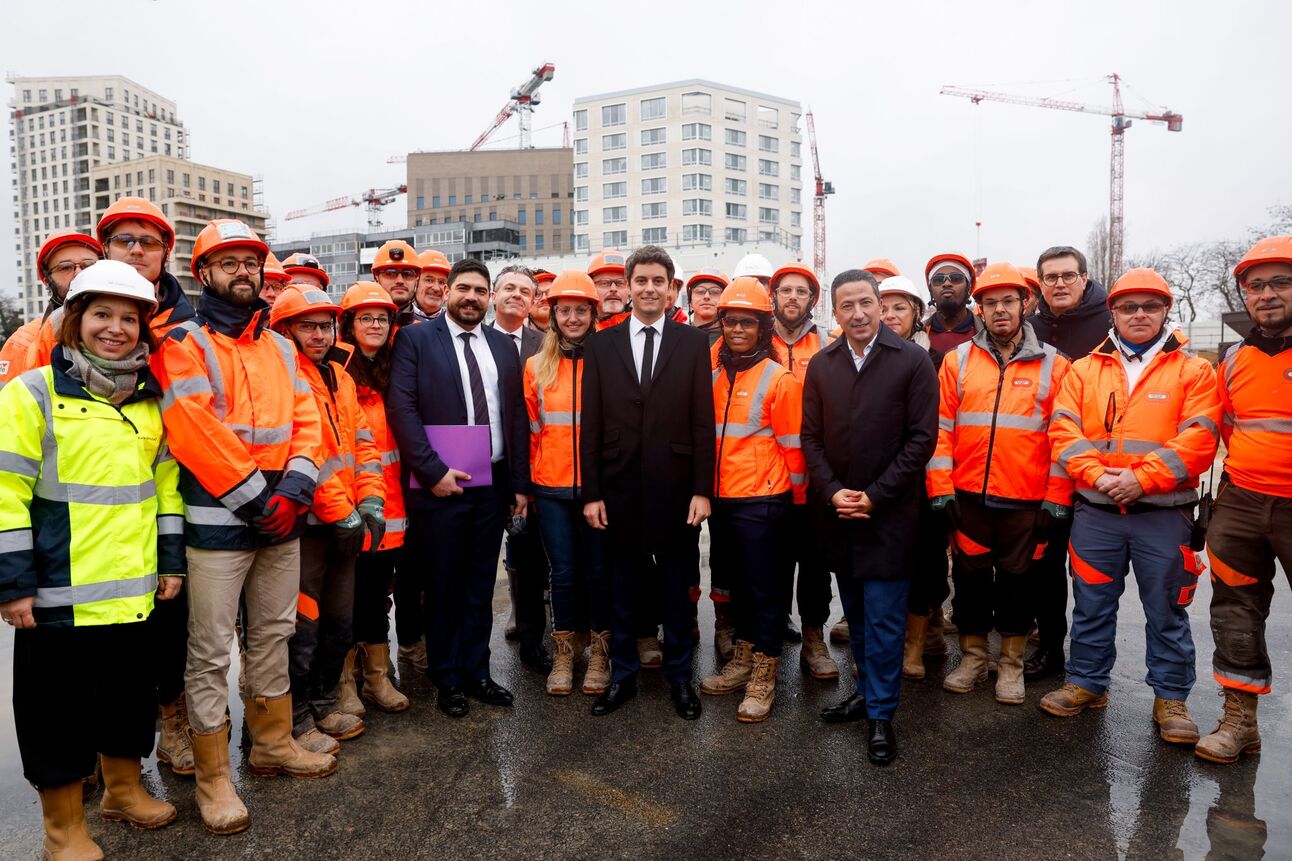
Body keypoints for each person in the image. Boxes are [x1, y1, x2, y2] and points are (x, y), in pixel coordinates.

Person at [0, 260, 184, 857]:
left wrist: (172, 563)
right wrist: (12, 584)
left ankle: (123, 792)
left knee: (128, 701)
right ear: (74, 320)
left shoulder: (150, 402)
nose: (116, 329)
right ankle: (61, 831)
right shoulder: (31, 393)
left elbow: (165, 493)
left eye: (129, 318)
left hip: (132, 597)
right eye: (102, 315)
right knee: (56, 717)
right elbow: (4, 494)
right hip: (57, 600)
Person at [157, 219, 329, 835]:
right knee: (207, 653)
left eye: (250, 263)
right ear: (202, 274)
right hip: (219, 526)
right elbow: (196, 429)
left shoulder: (280, 348)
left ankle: (271, 743)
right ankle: (212, 778)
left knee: (275, 633)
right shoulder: (183, 343)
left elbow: (308, 422)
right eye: (228, 264)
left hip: (281, 517)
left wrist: (298, 486)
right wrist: (264, 499)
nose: (243, 273)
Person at [1041, 268, 1219, 743]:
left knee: (1166, 608)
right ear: (1112, 312)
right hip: (1096, 514)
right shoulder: (1083, 370)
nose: (1139, 314)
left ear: (1165, 311)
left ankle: (1171, 696)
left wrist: (1141, 480)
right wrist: (1100, 476)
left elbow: (1200, 437)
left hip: (1163, 515)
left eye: (1149, 306)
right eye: (1128, 307)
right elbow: (1063, 429)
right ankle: (1086, 682)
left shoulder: (1194, 370)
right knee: (1092, 604)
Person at [802, 269, 939, 765]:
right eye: (846, 306)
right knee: (856, 615)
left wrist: (875, 496)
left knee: (884, 620)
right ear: (834, 313)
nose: (857, 314)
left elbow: (922, 440)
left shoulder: (913, 362)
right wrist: (835, 492)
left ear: (881, 305)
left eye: (866, 303)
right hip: (838, 515)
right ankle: (864, 693)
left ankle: (882, 714)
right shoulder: (822, 365)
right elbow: (811, 440)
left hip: (890, 516)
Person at [386, 258, 530, 719]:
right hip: (439, 487)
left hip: (491, 485)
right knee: (443, 586)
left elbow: (515, 417)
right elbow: (402, 409)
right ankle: (446, 678)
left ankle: (478, 673)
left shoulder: (502, 347)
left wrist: (518, 485)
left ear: (489, 298)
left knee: (479, 586)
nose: (471, 297)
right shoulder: (416, 339)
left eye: (479, 291)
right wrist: (432, 471)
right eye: (463, 288)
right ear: (447, 291)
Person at [580, 245, 715, 720]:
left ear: (671, 287)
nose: (649, 288)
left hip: (678, 488)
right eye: (641, 281)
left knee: (677, 586)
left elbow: (703, 420)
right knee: (622, 588)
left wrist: (703, 488)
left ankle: (680, 678)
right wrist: (591, 492)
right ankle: (623, 677)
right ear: (629, 286)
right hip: (617, 488)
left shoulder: (693, 343)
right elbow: (590, 424)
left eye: (659, 281)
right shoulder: (601, 344)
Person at [928, 262, 1072, 707]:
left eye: (1009, 301)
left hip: (1026, 501)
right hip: (968, 497)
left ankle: (1010, 664)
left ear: (1025, 303)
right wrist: (941, 488)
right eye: (990, 303)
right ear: (980, 308)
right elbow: (940, 430)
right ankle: (973, 657)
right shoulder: (957, 362)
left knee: (1018, 582)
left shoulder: (1056, 365)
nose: (1000, 310)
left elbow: (1065, 438)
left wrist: (1056, 499)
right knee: (969, 581)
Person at [270, 286, 386, 754]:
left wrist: (372, 501)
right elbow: (305, 453)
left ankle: (322, 701)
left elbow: (364, 445)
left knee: (341, 621)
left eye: (325, 325)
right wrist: (342, 511)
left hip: (348, 521)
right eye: (307, 326)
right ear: (286, 330)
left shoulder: (339, 377)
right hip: (308, 527)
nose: (319, 335)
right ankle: (296, 719)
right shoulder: (283, 378)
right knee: (302, 626)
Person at [1195, 235, 1292, 763]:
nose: (1267, 295)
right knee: (1235, 610)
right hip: (1244, 499)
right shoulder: (1235, 359)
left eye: (1280, 282)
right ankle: (1240, 720)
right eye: (1256, 286)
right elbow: (1227, 426)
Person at [698, 278, 806, 722]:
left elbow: (795, 449)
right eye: (730, 321)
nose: (737, 328)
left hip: (764, 502)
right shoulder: (714, 373)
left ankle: (764, 673)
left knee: (764, 591)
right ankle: (742, 659)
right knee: (737, 587)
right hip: (723, 501)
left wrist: (796, 504)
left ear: (764, 326)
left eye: (748, 321)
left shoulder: (779, 379)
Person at [1025, 245, 1114, 682]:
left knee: (1093, 577)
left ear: (1085, 278)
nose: (1058, 284)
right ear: (1040, 283)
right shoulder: (1031, 328)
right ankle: (1050, 648)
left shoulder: (1110, 324)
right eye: (1050, 277)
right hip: (1046, 467)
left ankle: (1090, 662)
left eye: (1067, 275)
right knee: (1045, 567)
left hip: (1102, 471)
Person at [524, 270, 610, 697]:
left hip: (599, 490)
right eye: (565, 310)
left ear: (593, 313)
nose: (573, 317)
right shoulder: (535, 367)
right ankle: (563, 651)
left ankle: (599, 650)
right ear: (553, 314)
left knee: (598, 571)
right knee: (563, 572)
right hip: (552, 487)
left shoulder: (608, 361)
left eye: (581, 309)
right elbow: (532, 431)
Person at [337, 282, 412, 711]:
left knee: (375, 597)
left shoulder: (394, 368)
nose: (375, 325)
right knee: (347, 600)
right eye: (365, 317)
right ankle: (346, 684)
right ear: (348, 323)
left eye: (382, 318)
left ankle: (377, 679)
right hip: (351, 504)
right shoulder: (336, 370)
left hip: (392, 507)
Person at [876, 275, 951, 680]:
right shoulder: (863, 359)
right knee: (884, 562)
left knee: (925, 563)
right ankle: (884, 641)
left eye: (899, 307)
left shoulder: (938, 361)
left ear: (917, 314)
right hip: (880, 480)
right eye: (883, 307)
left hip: (924, 479)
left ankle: (915, 646)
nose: (889, 315)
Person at [767, 263, 836, 674]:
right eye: (785, 290)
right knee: (769, 561)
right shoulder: (756, 343)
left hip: (815, 474)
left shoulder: (829, 344)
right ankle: (766, 637)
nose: (793, 297)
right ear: (773, 296)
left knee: (815, 562)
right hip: (768, 475)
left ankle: (814, 638)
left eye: (801, 291)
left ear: (812, 299)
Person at [492, 264, 552, 674]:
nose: (516, 295)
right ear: (494, 295)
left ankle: (534, 641)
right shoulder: (474, 340)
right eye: (508, 287)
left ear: (533, 300)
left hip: (531, 468)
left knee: (531, 558)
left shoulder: (547, 344)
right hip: (483, 465)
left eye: (524, 290)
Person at [0, 230, 103, 386]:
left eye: (88, 265)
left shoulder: (129, 328)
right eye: (65, 268)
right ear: (48, 280)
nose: (79, 273)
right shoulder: (23, 342)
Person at [924, 252, 981, 355]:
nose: (946, 284)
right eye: (938, 280)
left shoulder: (989, 334)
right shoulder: (915, 335)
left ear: (968, 288)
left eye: (956, 278)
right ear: (930, 290)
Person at [371, 240, 422, 327]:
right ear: (376, 277)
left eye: (407, 274)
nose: (400, 281)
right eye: (390, 273)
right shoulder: (360, 328)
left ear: (417, 278)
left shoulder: (428, 332)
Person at [589, 250, 631, 330]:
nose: (613, 289)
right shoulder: (579, 329)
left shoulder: (644, 325)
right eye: (604, 283)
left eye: (620, 283)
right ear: (591, 287)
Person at [686, 268, 728, 344]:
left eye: (715, 292)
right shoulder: (677, 336)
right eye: (700, 291)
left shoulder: (731, 339)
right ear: (690, 301)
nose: (706, 296)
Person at [415, 248, 451, 322]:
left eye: (441, 282)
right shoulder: (396, 320)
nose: (436, 288)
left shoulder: (454, 324)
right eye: (429, 280)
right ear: (415, 283)